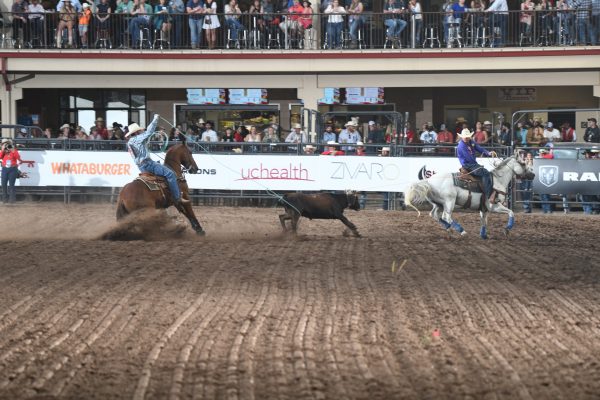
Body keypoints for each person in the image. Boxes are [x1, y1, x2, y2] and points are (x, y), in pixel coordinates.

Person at [125, 114, 190, 207]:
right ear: (136, 132)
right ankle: (177, 198)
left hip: (141, 166)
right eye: (139, 131)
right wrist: (155, 119)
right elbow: (149, 131)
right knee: (170, 174)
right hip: (148, 164)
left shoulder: (130, 142)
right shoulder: (137, 139)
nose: (140, 131)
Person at [457, 128, 498, 203]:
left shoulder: (470, 141)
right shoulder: (461, 146)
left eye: (467, 136)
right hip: (468, 165)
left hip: (472, 164)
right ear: (462, 137)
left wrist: (488, 153)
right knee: (486, 173)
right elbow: (469, 158)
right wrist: (477, 164)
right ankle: (489, 196)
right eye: (465, 137)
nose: (466, 138)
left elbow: (479, 148)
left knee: (484, 172)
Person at [0, 139, 23, 204]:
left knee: (11, 185)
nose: (7, 145)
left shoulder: (14, 150)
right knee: (3, 184)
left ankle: (12, 200)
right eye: (5, 144)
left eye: (7, 144)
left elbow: (18, 158)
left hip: (13, 169)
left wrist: (13, 150)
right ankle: (4, 200)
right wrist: (3, 150)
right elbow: (0, 157)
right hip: (5, 169)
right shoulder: (3, 151)